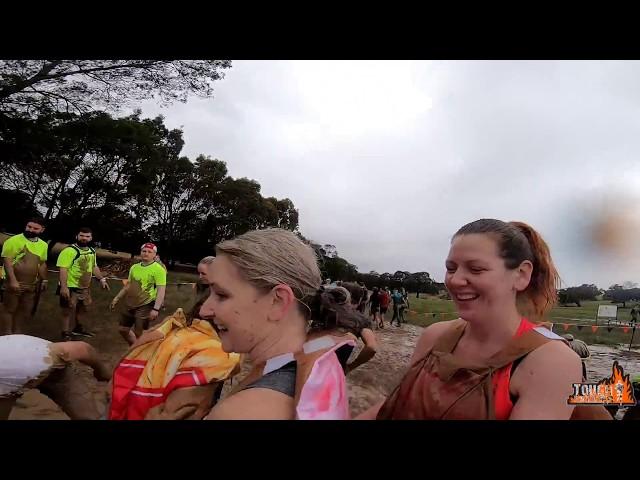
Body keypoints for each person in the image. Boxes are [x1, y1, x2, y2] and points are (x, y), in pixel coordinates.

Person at [359, 219, 597, 420]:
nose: (455, 280)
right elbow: (395, 404)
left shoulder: (550, 362)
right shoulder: (435, 335)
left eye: (476, 269)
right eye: (451, 268)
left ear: (521, 275)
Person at [202, 228, 353, 420]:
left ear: (278, 301)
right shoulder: (308, 369)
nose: (204, 310)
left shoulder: (243, 412)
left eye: (222, 295)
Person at [108, 307, 241, 420]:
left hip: (123, 399)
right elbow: (172, 412)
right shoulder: (218, 354)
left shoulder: (175, 327)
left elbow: (138, 345)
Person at [0, 334, 112, 420]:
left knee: (87, 416)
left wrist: (102, 372)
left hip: (55, 370)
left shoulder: (42, 356)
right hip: (13, 377)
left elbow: (83, 348)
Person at [56, 227, 110, 341]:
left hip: (84, 287)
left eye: (87, 236)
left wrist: (101, 279)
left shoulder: (91, 251)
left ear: (91, 238)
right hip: (70, 286)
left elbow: (94, 266)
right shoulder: (69, 251)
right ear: (77, 236)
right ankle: (65, 333)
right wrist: (64, 287)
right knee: (67, 310)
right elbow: (63, 269)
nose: (84, 238)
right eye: (82, 235)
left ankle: (78, 329)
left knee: (83, 309)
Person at [311, 283, 378, 374]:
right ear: (359, 300)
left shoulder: (323, 310)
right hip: (332, 372)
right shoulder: (359, 320)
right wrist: (351, 366)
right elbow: (371, 347)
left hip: (304, 363)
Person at [110, 243, 167, 345]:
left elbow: (161, 290)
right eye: (144, 251)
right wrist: (117, 298)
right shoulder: (134, 267)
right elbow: (128, 285)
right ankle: (135, 347)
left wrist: (156, 309)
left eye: (149, 252)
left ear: (155, 255)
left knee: (139, 332)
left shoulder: (159, 270)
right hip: (130, 302)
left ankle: (142, 353)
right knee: (123, 329)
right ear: (140, 252)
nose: (146, 253)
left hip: (146, 303)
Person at [0, 218, 49, 335]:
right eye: (29, 226)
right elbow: (7, 261)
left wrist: (45, 279)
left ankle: (17, 333)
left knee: (23, 310)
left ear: (42, 230)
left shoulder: (43, 245)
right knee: (9, 308)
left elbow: (41, 263)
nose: (31, 230)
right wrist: (12, 281)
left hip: (31, 284)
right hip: (14, 281)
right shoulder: (14, 241)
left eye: (35, 228)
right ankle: (7, 334)